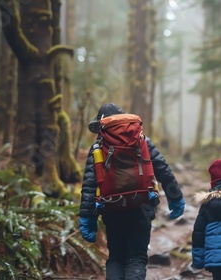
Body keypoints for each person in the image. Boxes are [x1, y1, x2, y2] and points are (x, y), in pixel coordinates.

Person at [78, 103, 186, 280]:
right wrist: (176, 198)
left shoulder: (98, 147)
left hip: (112, 210)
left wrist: (87, 217)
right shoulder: (142, 140)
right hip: (142, 207)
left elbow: (90, 186)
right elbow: (162, 169)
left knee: (116, 259)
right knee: (137, 258)